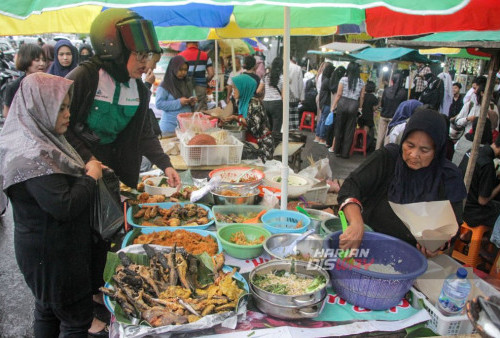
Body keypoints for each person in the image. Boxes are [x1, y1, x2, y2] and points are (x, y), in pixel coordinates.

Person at [64, 8, 181, 334]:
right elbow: (59, 126)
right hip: (80, 180)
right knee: (79, 246)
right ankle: (85, 312)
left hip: (114, 182)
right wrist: (88, 159)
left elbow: (143, 132)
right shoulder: (83, 78)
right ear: (112, 49)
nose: (148, 63)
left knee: (106, 241)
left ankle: (97, 292)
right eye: (140, 55)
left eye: (151, 55)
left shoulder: (139, 90)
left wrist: (166, 164)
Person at [0, 72, 103, 337]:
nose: (68, 114)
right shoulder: (33, 155)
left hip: (44, 253)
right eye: (61, 108)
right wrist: (91, 176)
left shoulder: (36, 138)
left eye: (68, 106)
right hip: (55, 257)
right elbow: (64, 206)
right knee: (75, 320)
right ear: (39, 107)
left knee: (47, 309)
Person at [338, 109, 467, 257]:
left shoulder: (449, 177)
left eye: (424, 150)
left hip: (411, 257)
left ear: (437, 150)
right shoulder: (388, 158)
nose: (414, 155)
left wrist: (437, 244)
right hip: (367, 245)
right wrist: (356, 224)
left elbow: (453, 226)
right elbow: (351, 186)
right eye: (409, 145)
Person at [223, 74, 274, 161]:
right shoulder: (242, 102)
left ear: (244, 88)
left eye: (235, 88)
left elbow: (254, 126)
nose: (233, 91)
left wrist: (236, 118)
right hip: (251, 141)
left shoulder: (254, 103)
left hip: (262, 146)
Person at [459, 134, 500, 230]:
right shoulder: (487, 164)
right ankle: (488, 240)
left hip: (459, 202)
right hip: (470, 212)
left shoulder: (472, 151)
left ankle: (467, 237)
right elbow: (483, 201)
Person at [3, 43, 46, 118]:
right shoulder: (14, 86)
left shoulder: (49, 84)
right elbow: (7, 114)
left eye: (43, 60)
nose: (41, 63)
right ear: (26, 60)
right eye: (37, 60)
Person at [332, 61, 365, 159]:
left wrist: (333, 106)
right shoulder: (361, 82)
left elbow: (338, 94)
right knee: (349, 130)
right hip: (354, 104)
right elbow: (362, 96)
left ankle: (337, 150)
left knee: (339, 127)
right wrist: (360, 107)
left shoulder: (343, 79)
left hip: (342, 103)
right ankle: (345, 153)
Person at [156, 55, 196, 135]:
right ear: (173, 68)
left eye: (185, 70)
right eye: (180, 69)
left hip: (185, 129)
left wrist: (192, 103)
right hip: (169, 129)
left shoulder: (187, 83)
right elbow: (159, 104)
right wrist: (178, 102)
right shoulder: (165, 85)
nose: (183, 72)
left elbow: (191, 104)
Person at [179, 41, 214, 111]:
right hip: (201, 87)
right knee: (201, 109)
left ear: (186, 44)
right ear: (197, 44)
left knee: (187, 106)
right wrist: (204, 81)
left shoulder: (180, 56)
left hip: (186, 87)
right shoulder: (205, 56)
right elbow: (211, 74)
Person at [376, 72, 407, 150]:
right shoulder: (404, 92)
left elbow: (382, 103)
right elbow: (403, 107)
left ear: (393, 80)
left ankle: (377, 152)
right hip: (394, 118)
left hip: (383, 115)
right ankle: (386, 153)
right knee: (388, 137)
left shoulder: (386, 90)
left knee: (380, 136)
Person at [260, 57, 283, 139]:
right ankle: (275, 145)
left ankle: (267, 143)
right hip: (277, 103)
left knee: (267, 127)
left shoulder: (265, 77)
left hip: (266, 103)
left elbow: (258, 90)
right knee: (276, 128)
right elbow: (283, 96)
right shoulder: (282, 77)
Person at [314, 63, 334, 145]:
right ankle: (322, 138)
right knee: (323, 120)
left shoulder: (321, 77)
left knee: (321, 119)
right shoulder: (328, 81)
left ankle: (317, 137)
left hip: (321, 99)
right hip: (325, 101)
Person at [357, 80, 379, 151]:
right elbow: (374, 108)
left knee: (361, 128)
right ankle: (364, 146)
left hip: (360, 118)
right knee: (370, 132)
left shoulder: (362, 96)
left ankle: (359, 143)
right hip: (368, 119)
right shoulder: (374, 98)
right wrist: (379, 105)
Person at [289, 57, 304, 131]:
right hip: (294, 96)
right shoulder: (297, 68)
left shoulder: (282, 66)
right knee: (293, 119)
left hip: (282, 96)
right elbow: (300, 84)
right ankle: (292, 134)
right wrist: (302, 97)